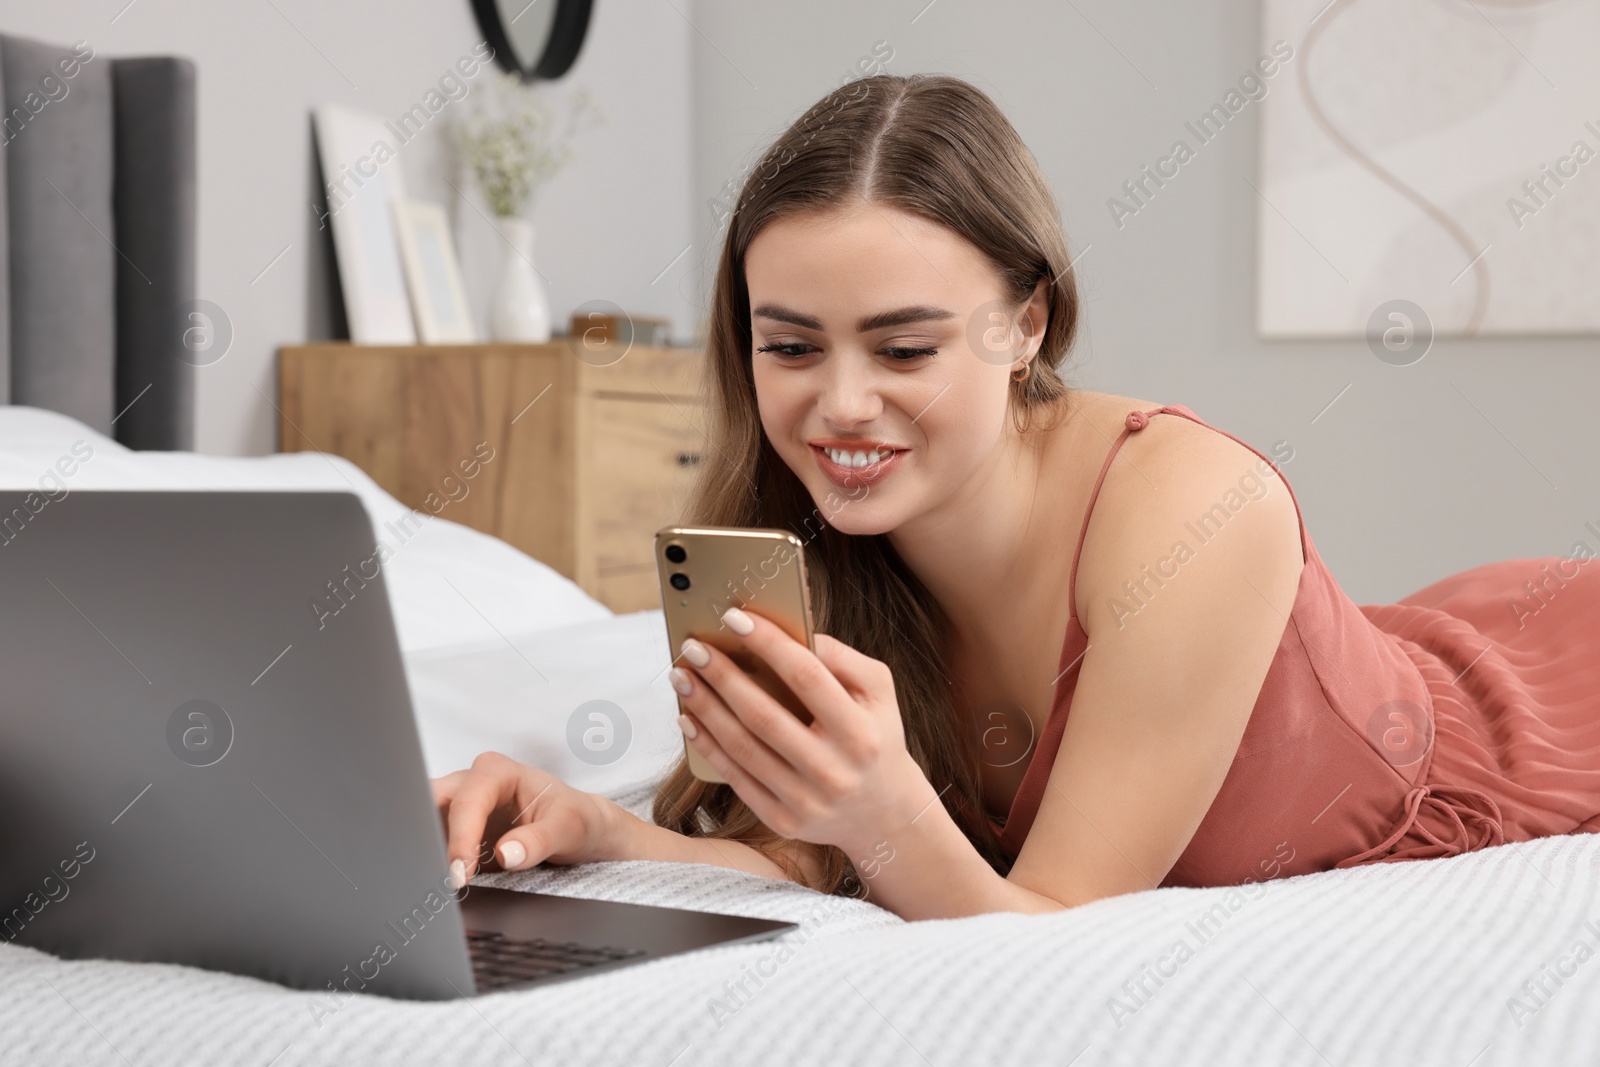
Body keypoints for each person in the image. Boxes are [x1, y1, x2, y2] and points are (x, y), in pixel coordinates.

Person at [432, 73, 1600, 922]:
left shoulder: (1198, 510)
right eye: (790, 347)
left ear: (1024, 323)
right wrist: (589, 828)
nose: (839, 405)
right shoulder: (829, 538)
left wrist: (886, 804)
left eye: (902, 351)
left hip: (1550, 707)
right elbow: (812, 860)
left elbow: (1040, 932)